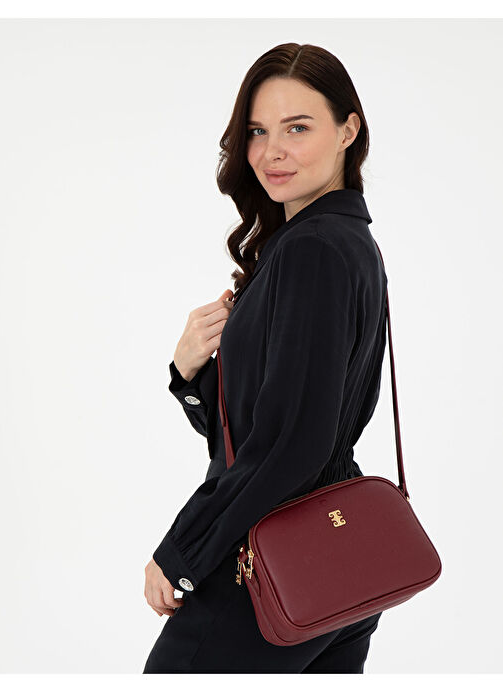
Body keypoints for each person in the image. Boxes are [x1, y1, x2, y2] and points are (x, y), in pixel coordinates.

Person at [142, 42, 387, 673]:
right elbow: (264, 427)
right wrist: (190, 374)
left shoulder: (313, 250)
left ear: (348, 130)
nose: (271, 151)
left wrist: (184, 551)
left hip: (270, 562)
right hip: (339, 556)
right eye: (257, 131)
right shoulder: (345, 242)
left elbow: (290, 443)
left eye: (297, 128)